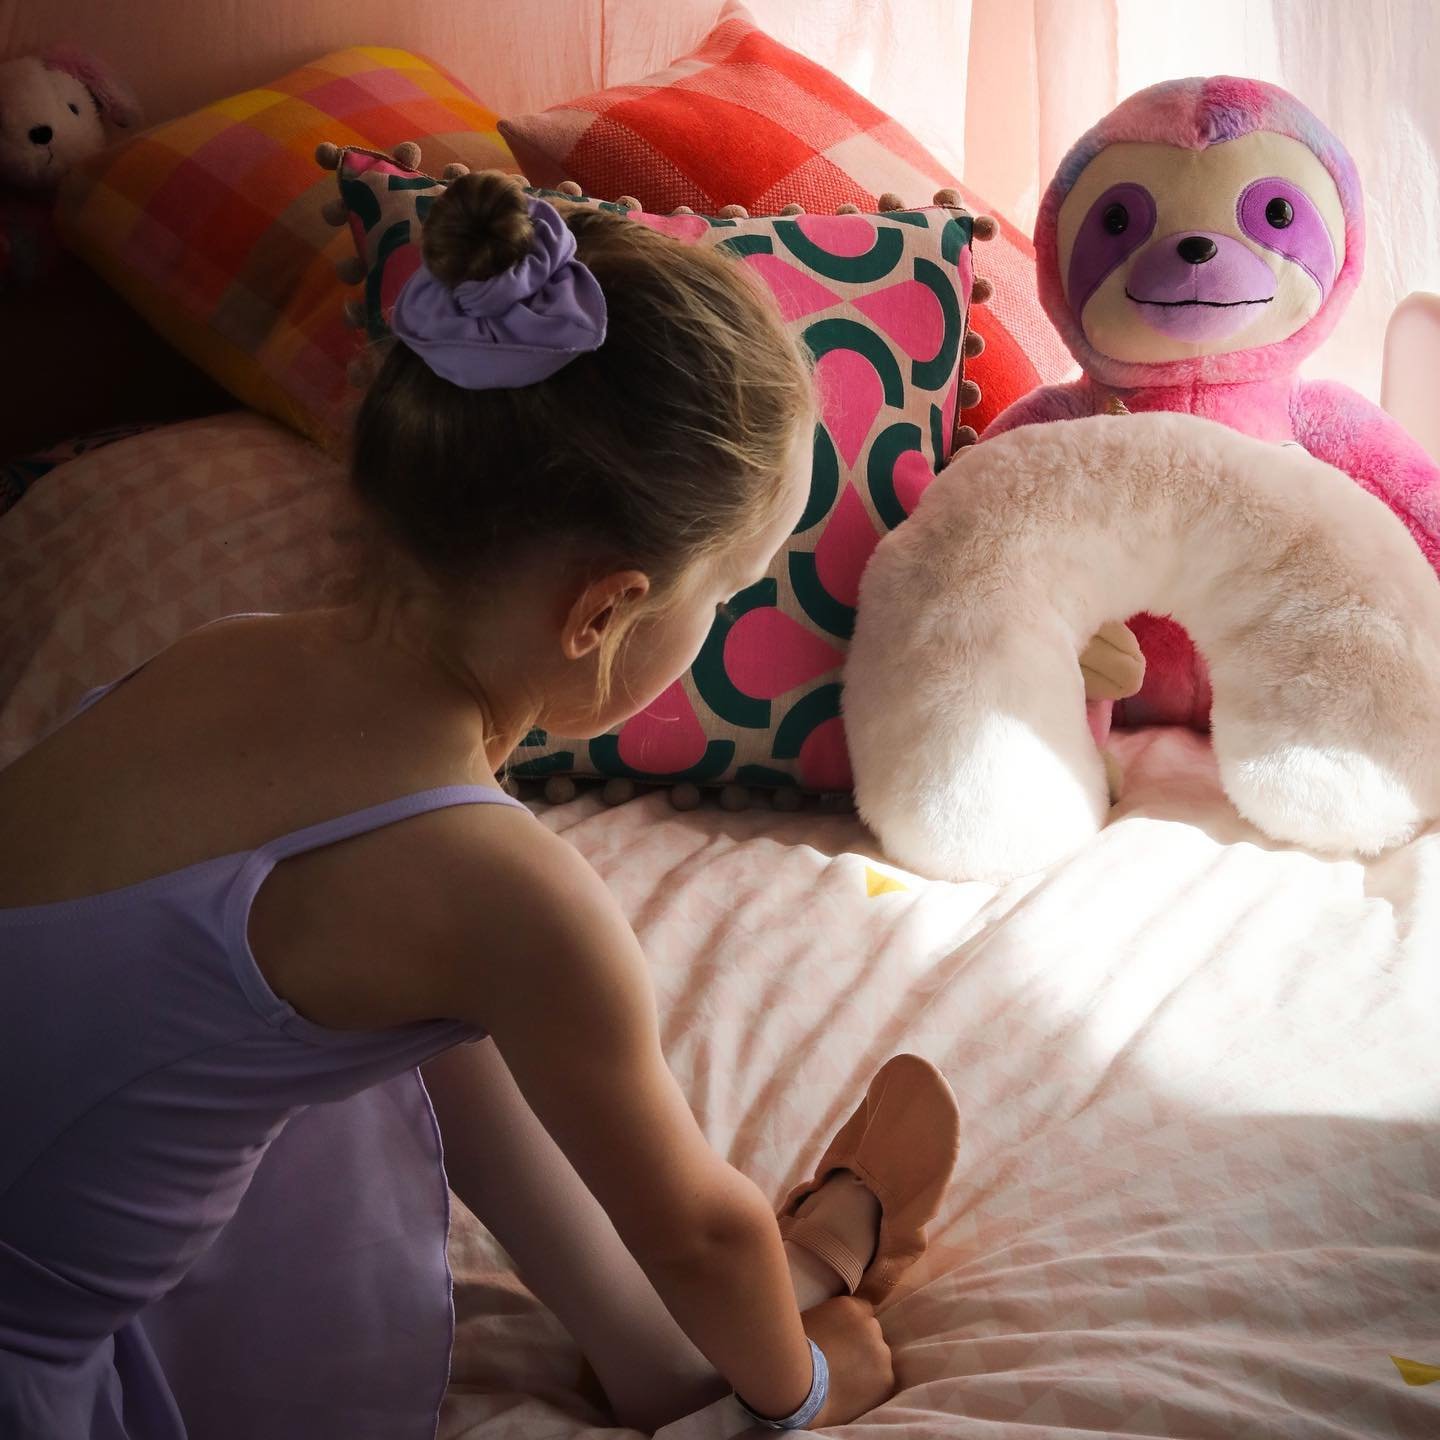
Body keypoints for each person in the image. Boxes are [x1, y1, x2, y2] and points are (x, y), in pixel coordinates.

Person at [0, 172, 960, 1439]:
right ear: (607, 610)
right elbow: (700, 1230)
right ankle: (740, 1358)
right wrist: (809, 1391)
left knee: (447, 974)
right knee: (488, 943)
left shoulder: (229, 652)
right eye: (724, 591)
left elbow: (447, 988)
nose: (717, 618)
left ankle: (646, 1353)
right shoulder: (497, 889)